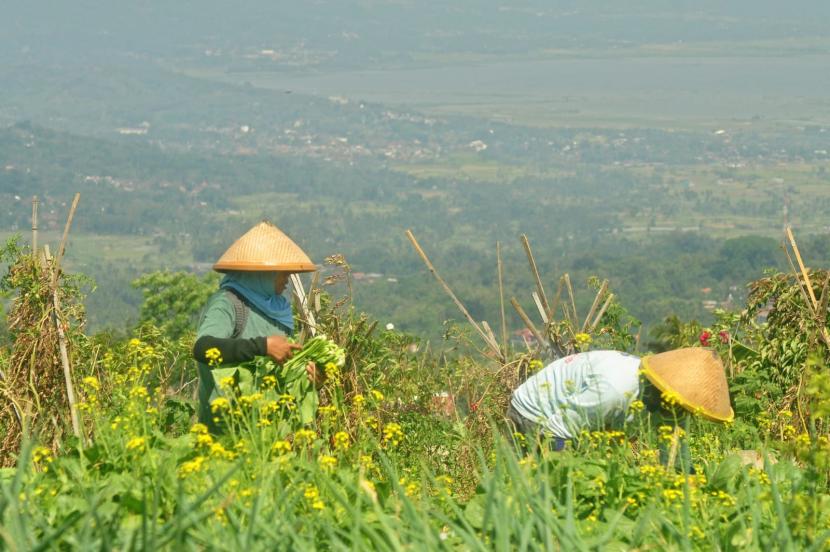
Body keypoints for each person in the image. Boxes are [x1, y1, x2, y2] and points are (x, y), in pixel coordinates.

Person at [192, 221, 318, 431]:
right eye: (282, 272)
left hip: (268, 435)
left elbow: (281, 374)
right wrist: (262, 347)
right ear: (261, 272)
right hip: (226, 434)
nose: (287, 278)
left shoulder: (278, 309)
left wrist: (311, 379)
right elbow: (202, 347)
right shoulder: (228, 303)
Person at [506, 348, 733, 462]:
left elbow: (674, 455)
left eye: (686, 410)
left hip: (583, 418)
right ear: (662, 391)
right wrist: (564, 474)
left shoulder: (675, 400)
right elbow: (557, 431)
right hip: (534, 414)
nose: (680, 415)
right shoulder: (614, 390)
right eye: (678, 408)